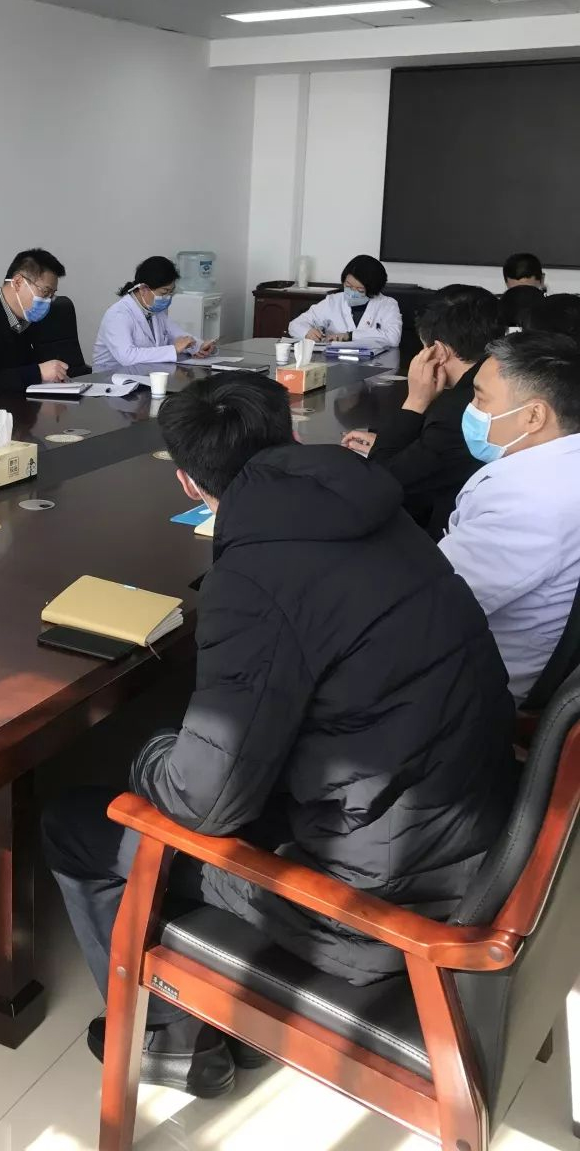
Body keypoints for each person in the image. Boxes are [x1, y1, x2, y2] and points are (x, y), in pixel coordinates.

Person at [44, 375, 516, 1100]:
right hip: (472, 833)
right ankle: (206, 1007)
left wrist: (147, 753)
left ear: (188, 481)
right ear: (293, 437)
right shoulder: (375, 510)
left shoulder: (255, 576)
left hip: (379, 905)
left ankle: (167, 1037)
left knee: (79, 820)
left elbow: (206, 806)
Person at [439, 331, 580, 699]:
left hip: (480, 681)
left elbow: (431, 603)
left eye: (480, 398)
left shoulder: (528, 501)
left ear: (533, 415)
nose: (471, 409)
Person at [342, 286, 500, 538]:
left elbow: (384, 482)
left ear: (438, 351)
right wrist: (397, 444)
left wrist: (415, 401)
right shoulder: (496, 383)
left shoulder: (457, 411)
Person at [0, 247, 85, 402]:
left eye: (52, 295)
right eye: (45, 293)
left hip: (27, 408)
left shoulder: (32, 318)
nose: (48, 302)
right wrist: (37, 373)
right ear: (18, 282)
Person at [93, 256, 216, 374]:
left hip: (144, 376)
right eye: (164, 292)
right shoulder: (118, 314)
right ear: (143, 289)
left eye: (171, 292)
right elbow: (127, 357)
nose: (167, 297)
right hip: (111, 380)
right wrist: (173, 349)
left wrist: (199, 346)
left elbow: (178, 336)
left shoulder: (154, 311)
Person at [288, 254, 402, 348]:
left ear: (372, 290)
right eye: (348, 286)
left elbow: (393, 338)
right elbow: (295, 325)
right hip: (333, 362)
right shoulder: (333, 301)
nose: (352, 292)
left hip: (375, 364)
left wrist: (350, 336)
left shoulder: (387, 305)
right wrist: (307, 332)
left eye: (360, 289)